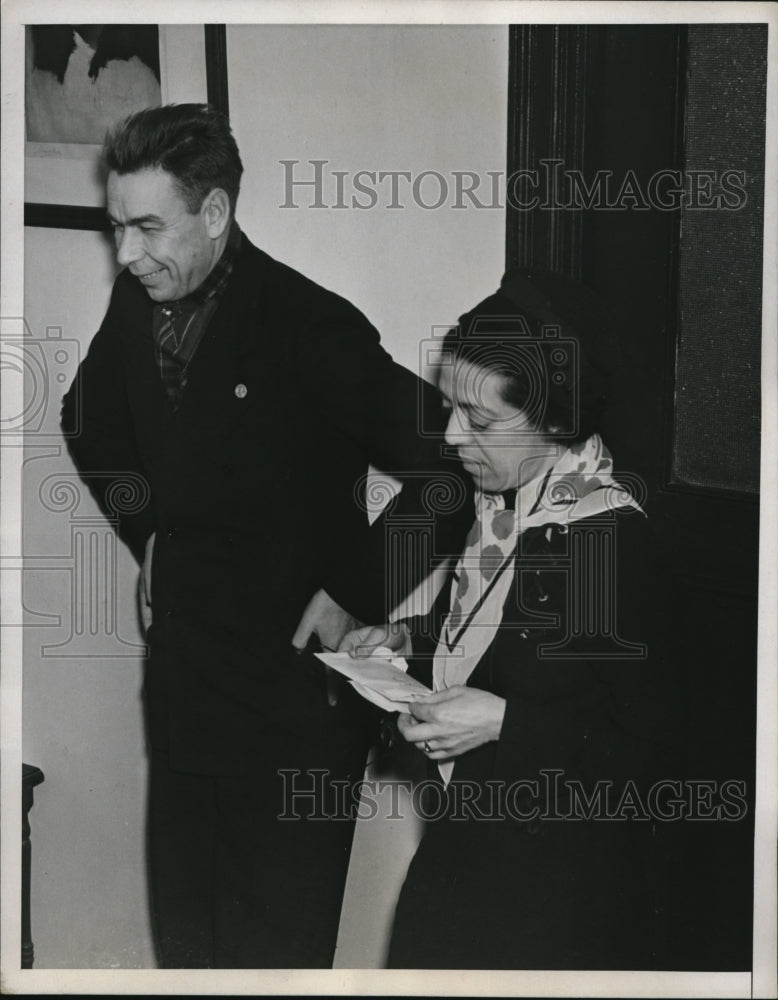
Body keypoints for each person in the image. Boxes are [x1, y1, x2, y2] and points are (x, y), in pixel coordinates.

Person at [60, 102, 467, 969]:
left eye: (146, 228)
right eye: (116, 228)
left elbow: (452, 468)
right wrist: (149, 533)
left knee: (274, 960)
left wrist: (355, 591)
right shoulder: (140, 306)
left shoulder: (311, 327)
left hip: (294, 717)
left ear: (215, 214)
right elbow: (87, 421)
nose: (127, 255)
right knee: (190, 950)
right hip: (185, 704)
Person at [342, 270, 684, 970]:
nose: (450, 435)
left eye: (480, 419)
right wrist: (402, 647)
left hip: (558, 905)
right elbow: (489, 649)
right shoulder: (501, 513)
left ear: (554, 421)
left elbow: (653, 758)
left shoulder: (609, 543)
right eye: (446, 407)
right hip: (471, 862)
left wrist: (503, 723)